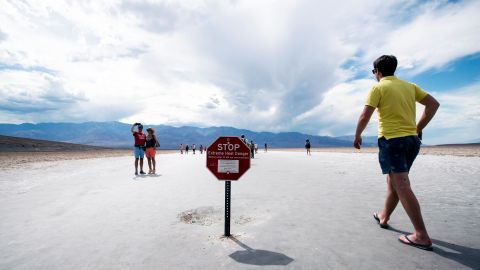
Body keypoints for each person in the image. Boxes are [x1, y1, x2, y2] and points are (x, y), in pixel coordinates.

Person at [354, 55, 439, 251]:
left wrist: (357, 135)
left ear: (378, 72)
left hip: (392, 141)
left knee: (401, 185)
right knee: (394, 182)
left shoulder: (378, 87)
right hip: (412, 141)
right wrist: (417, 128)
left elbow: (365, 115)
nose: (374, 75)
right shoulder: (410, 86)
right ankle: (384, 216)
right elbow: (433, 104)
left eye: (374, 72)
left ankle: (421, 235)